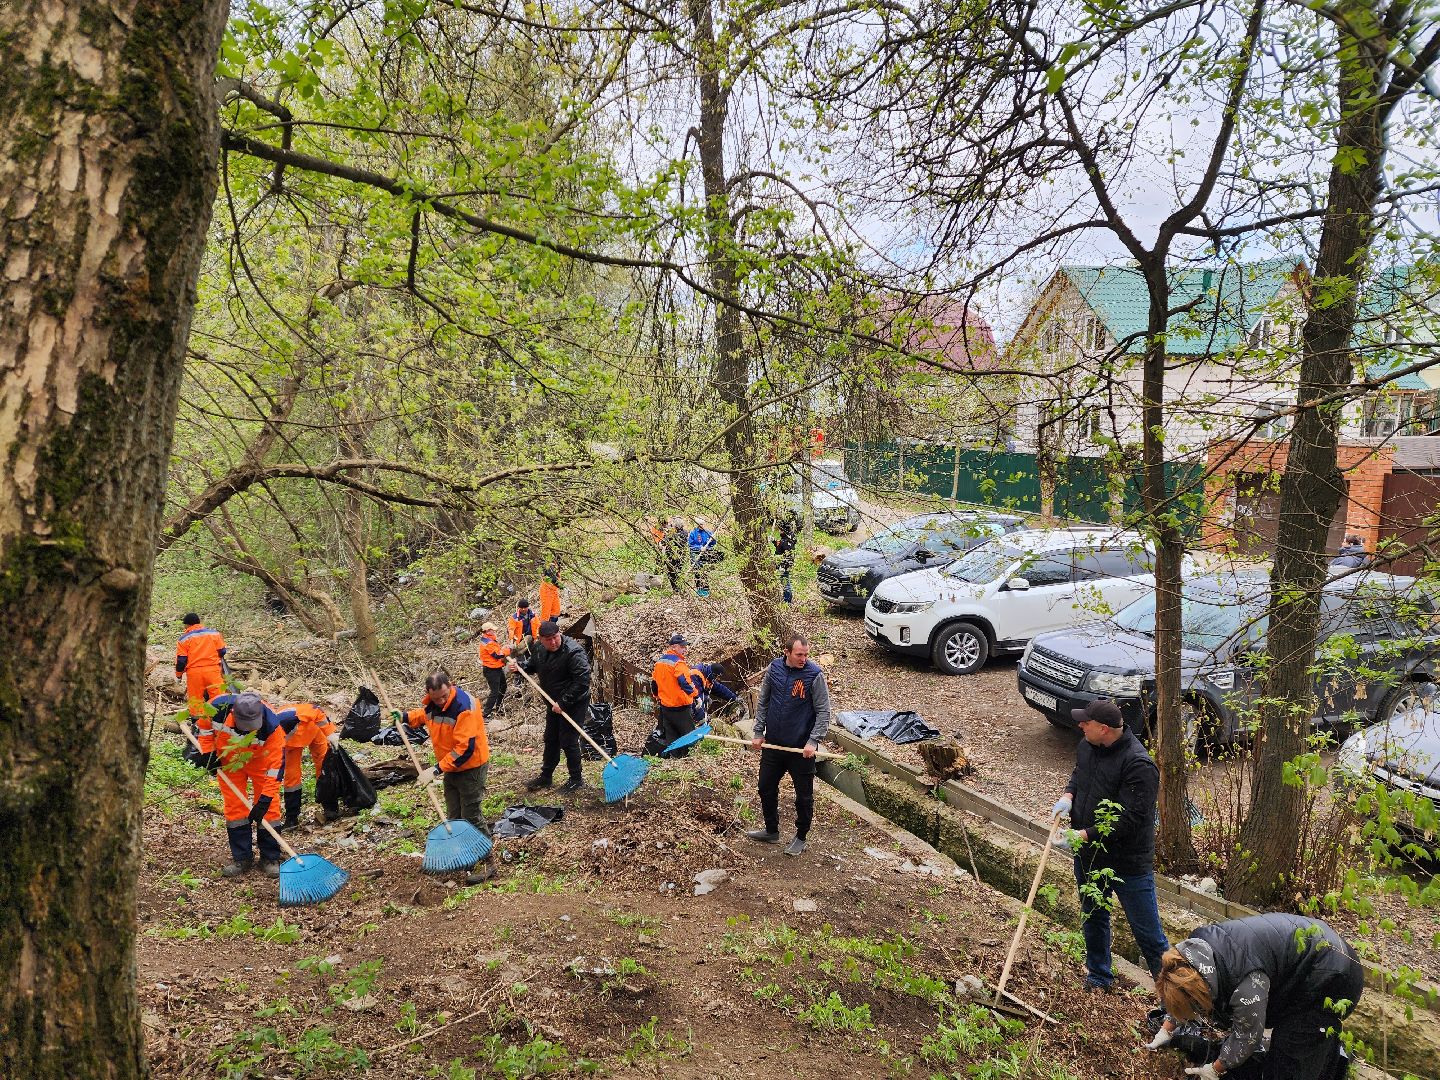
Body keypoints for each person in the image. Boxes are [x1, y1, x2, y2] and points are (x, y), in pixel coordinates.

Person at [1149, 913, 1363, 1080]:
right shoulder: (1192, 955)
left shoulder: (1245, 986)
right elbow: (1181, 989)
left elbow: (1247, 1037)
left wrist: (1215, 1069)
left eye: (1194, 1008)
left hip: (1335, 976)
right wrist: (1167, 1029)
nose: (1195, 1013)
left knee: (1290, 1054)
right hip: (1309, 958)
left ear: (1200, 992)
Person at [1053, 698, 1169, 991]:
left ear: (1104, 729)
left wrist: (1082, 835)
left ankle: (1176, 1000)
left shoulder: (1139, 765)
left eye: (1086, 723)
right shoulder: (1088, 746)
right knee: (1093, 916)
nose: (1080, 725)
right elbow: (1079, 775)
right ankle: (1099, 976)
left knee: (1149, 935)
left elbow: (1129, 820)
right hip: (1090, 857)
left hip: (1128, 863)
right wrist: (1068, 796)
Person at [398, 669, 494, 884]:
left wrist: (435, 770)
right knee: (453, 815)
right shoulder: (432, 704)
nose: (441, 701)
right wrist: (405, 717)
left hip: (471, 766)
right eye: (436, 698)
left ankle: (488, 862)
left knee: (471, 814)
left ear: (450, 686)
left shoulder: (464, 706)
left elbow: (464, 749)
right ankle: (466, 856)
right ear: (429, 693)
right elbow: (424, 715)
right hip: (450, 767)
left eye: (443, 696)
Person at [746, 633, 831, 856]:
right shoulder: (774, 669)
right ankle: (771, 830)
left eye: (806, 654)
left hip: (801, 749)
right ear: (787, 653)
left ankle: (801, 836)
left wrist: (814, 741)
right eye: (799, 654)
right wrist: (758, 731)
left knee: (803, 797)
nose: (804, 658)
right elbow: (763, 701)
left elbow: (824, 711)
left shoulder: (814, 675)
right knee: (765, 787)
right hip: (774, 744)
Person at [204, 691, 293, 878]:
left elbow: (276, 767)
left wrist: (265, 798)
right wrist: (207, 753)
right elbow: (203, 727)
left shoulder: (272, 727)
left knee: (270, 809)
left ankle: (270, 857)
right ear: (234, 713)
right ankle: (242, 857)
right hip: (229, 761)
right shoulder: (217, 707)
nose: (248, 729)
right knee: (235, 808)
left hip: (260, 763)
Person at [509, 619, 592, 794]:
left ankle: (576, 779)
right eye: (548, 640)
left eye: (555, 637)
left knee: (568, 741)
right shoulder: (539, 649)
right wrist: (520, 667)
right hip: (552, 702)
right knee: (551, 738)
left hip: (574, 702)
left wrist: (564, 702)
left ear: (559, 634)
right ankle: (546, 776)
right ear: (541, 639)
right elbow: (531, 666)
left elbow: (582, 682)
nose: (553, 642)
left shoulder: (573, 652)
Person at [277, 699, 340, 830]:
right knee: (291, 776)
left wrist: (330, 733)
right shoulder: (267, 735)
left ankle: (331, 808)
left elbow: (316, 710)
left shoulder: (289, 716)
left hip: (314, 730)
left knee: (324, 767)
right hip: (291, 745)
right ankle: (292, 818)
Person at [646, 634, 701, 756]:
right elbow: (685, 682)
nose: (685, 649)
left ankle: (676, 760)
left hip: (666, 707)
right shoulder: (678, 664)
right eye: (682, 647)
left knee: (672, 737)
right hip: (680, 706)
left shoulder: (659, 663)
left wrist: (658, 698)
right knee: (689, 736)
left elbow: (654, 684)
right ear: (674, 647)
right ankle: (689, 759)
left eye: (685, 646)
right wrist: (696, 696)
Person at [175, 613, 229, 719]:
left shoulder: (183, 639)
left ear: (187, 625)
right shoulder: (214, 634)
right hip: (213, 670)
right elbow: (222, 651)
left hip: (194, 673)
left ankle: (197, 726)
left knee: (196, 701)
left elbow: (181, 661)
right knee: (218, 697)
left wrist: (179, 675)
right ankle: (220, 721)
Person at [477, 621, 511, 718]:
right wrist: (509, 650)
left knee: (503, 687)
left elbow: (497, 651)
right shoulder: (488, 643)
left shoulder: (489, 639)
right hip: (491, 670)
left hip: (496, 668)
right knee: (494, 692)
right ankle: (485, 714)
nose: (495, 631)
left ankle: (499, 708)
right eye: (492, 630)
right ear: (487, 631)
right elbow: (497, 655)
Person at [692, 659, 738, 727]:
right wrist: (702, 719)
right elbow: (698, 697)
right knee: (705, 700)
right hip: (682, 703)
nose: (717, 679)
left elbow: (720, 689)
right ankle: (697, 722)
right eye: (717, 677)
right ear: (713, 674)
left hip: (695, 699)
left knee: (708, 700)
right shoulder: (695, 675)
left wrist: (734, 698)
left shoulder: (708, 675)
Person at [773, 509, 800, 604]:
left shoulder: (785, 542)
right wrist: (774, 542)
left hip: (784, 564)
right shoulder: (790, 537)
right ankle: (787, 599)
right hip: (786, 563)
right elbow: (781, 545)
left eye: (780, 530)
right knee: (785, 580)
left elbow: (783, 548)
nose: (779, 531)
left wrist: (781, 566)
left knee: (785, 581)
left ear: (784, 530)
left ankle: (787, 601)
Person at [689, 517, 718, 597]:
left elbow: (712, 544)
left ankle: (706, 590)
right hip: (695, 556)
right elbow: (691, 545)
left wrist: (713, 540)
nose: (701, 526)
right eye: (699, 524)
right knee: (697, 573)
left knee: (704, 573)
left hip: (705, 556)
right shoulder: (693, 533)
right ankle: (699, 590)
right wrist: (699, 547)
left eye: (702, 524)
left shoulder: (707, 532)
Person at [662, 517, 688, 592]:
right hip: (678, 555)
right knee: (675, 572)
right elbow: (664, 541)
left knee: (674, 572)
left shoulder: (681, 533)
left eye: (672, 524)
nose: (671, 525)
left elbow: (665, 541)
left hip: (675, 555)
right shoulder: (684, 532)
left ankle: (677, 588)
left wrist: (668, 533)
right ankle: (676, 588)